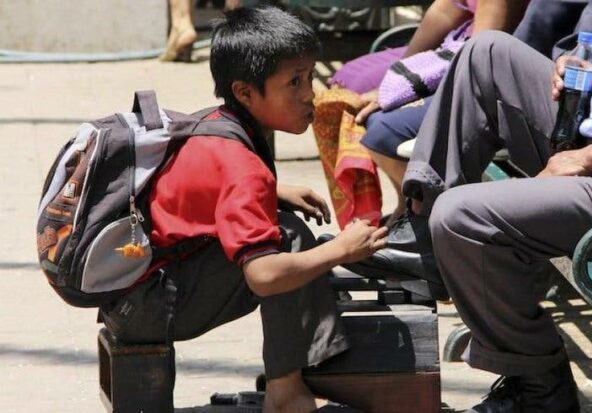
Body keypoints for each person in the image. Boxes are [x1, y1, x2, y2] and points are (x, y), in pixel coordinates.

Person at [356, 0, 592, 411]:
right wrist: (589, 71)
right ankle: (423, 241)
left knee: (463, 218)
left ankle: (539, 391)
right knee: (487, 52)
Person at [100, 7, 387, 413]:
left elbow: (200, 193)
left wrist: (275, 191)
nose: (310, 94)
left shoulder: (216, 123)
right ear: (245, 92)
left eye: (310, 76)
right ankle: (287, 392)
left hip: (134, 292)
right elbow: (264, 276)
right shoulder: (243, 166)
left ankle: (292, 378)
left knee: (284, 227)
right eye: (294, 82)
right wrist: (341, 249)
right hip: (148, 307)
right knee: (288, 242)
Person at [354, 0, 592, 228]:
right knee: (351, 94)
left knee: (390, 135)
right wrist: (401, 79)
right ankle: (416, 219)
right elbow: (444, 11)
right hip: (567, 88)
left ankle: (422, 225)